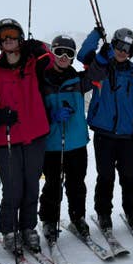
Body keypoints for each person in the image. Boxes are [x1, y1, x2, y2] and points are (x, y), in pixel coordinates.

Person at [0, 18, 50, 254]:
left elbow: (51, 60)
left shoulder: (34, 64)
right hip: (8, 137)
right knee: (12, 187)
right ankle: (9, 230)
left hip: (35, 134)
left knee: (32, 185)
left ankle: (28, 227)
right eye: (3, 36)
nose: (8, 39)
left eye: (12, 34)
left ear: (20, 37)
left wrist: (38, 46)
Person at [78, 27, 133, 232]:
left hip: (127, 136)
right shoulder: (101, 68)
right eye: (118, 45)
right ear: (113, 45)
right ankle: (103, 212)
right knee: (106, 176)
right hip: (104, 133)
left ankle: (132, 211)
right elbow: (83, 55)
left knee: (129, 177)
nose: (122, 51)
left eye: (127, 48)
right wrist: (96, 35)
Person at [38, 35, 93, 243]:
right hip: (52, 144)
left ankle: (77, 217)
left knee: (77, 184)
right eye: (59, 51)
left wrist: (96, 38)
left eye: (68, 53)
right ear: (52, 53)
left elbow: (98, 70)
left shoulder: (79, 81)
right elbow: (35, 110)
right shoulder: (42, 81)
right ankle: (49, 220)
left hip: (77, 142)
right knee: (52, 184)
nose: (63, 57)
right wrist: (51, 116)